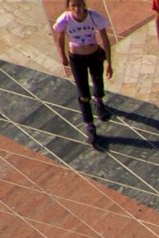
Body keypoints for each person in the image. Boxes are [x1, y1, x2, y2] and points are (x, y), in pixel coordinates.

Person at [52, 0, 115, 149]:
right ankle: (89, 125)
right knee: (83, 93)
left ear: (84, 5)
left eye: (79, 5)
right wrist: (63, 56)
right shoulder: (65, 19)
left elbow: (105, 38)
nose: (77, 9)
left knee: (98, 82)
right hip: (77, 59)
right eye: (73, 5)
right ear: (69, 6)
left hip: (94, 55)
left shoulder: (94, 16)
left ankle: (99, 101)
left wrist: (110, 63)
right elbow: (60, 37)